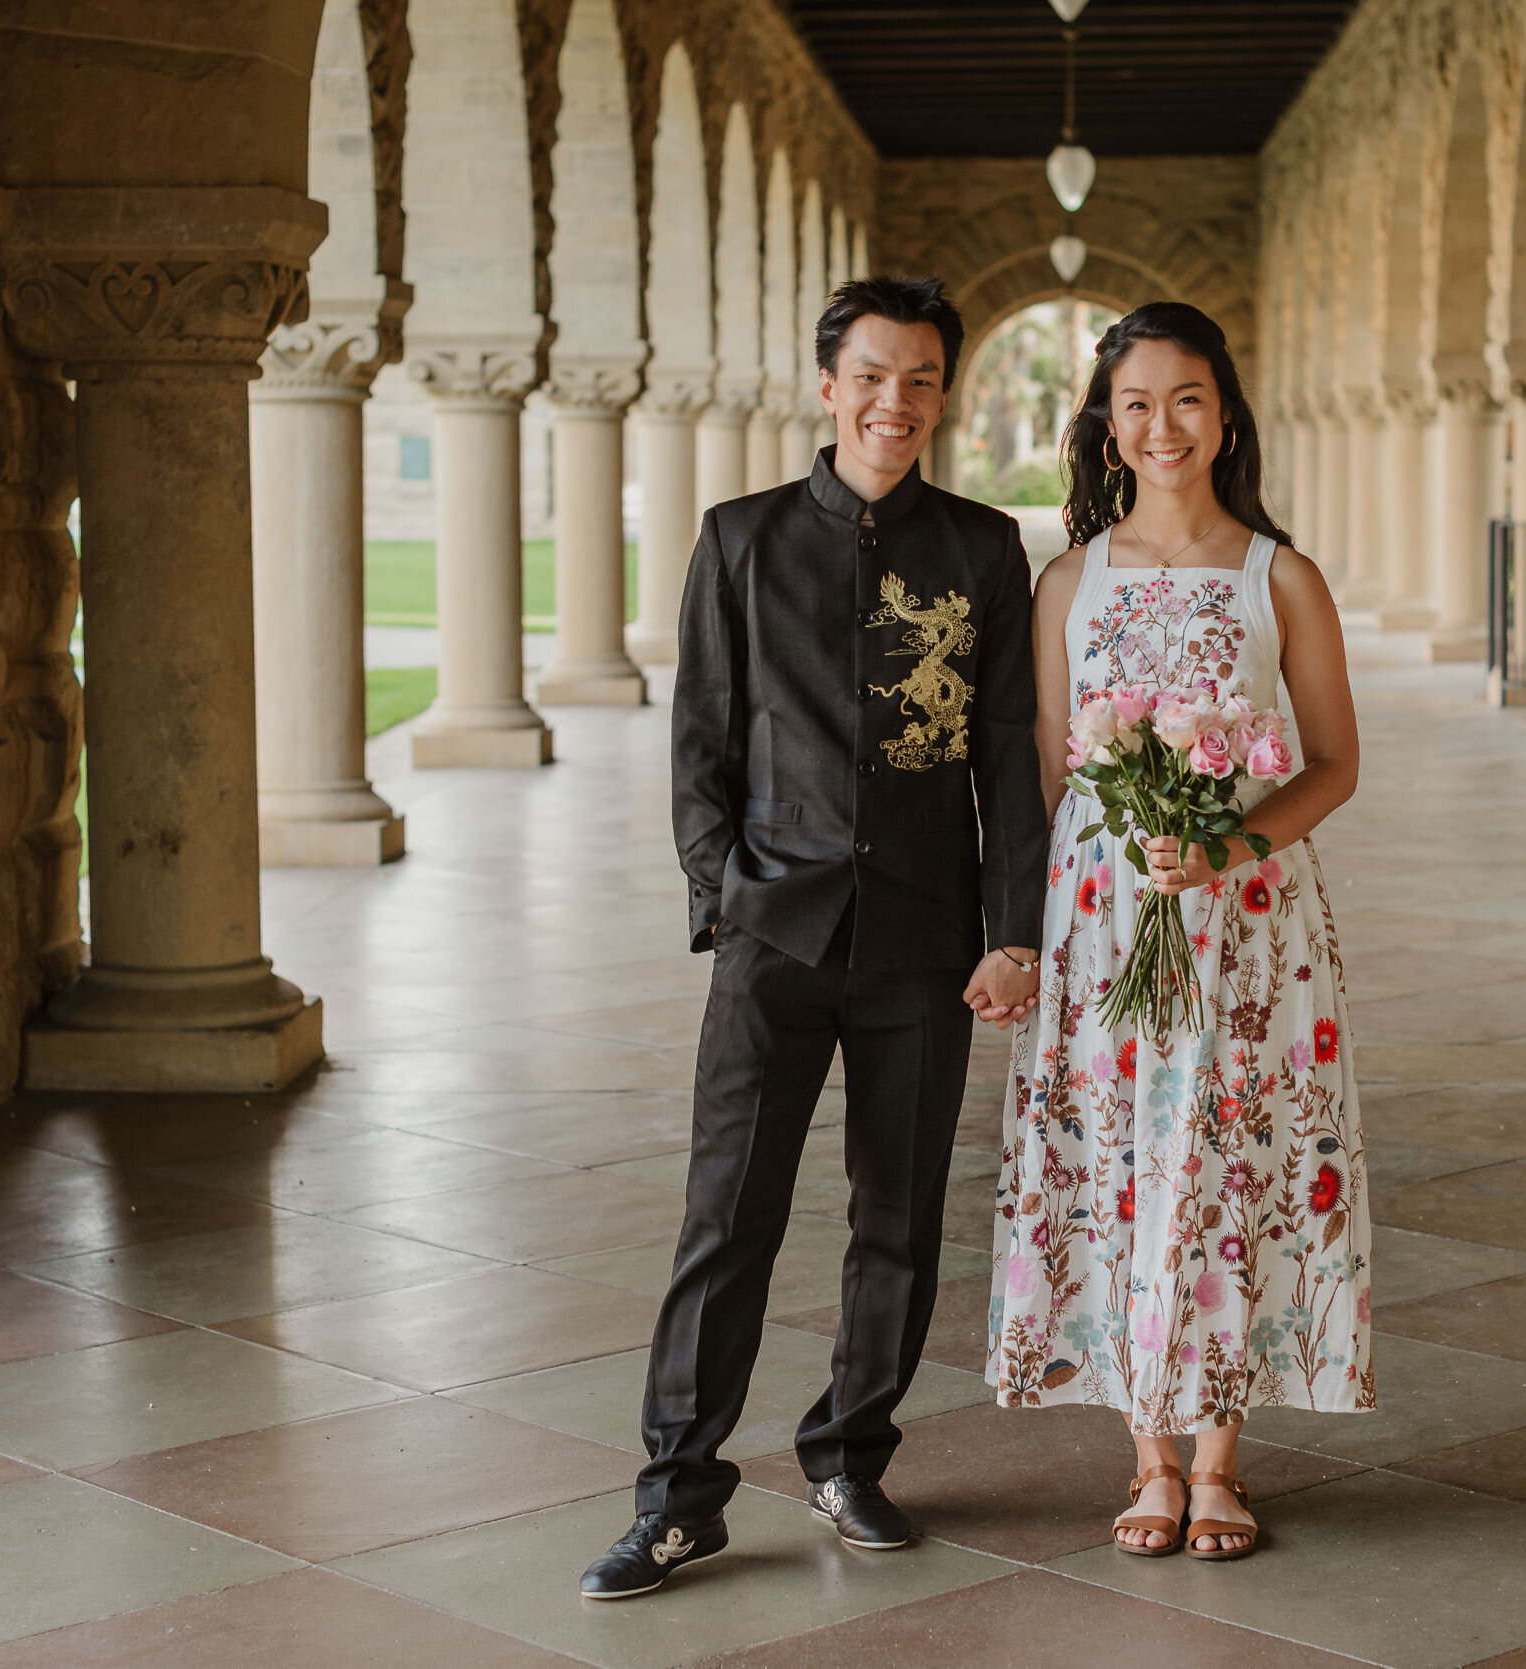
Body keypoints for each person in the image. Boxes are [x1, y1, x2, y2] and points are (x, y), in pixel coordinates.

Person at [583, 276, 1049, 1600]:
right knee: (727, 1215)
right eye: (871, 375)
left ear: (943, 393)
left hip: (925, 941)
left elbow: (1009, 755)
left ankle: (851, 1452)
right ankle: (678, 1493)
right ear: (828, 384)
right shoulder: (740, 539)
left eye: (919, 379)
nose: (893, 402)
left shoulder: (979, 550)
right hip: (771, 939)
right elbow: (700, 746)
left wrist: (1011, 929)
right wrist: (723, 894)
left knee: (897, 1222)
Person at [984, 301, 1370, 1561]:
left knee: (1228, 1157)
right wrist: (1052, 922)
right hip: (1103, 916)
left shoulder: (1280, 575)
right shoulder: (1066, 582)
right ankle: (1146, 1453)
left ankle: (1220, 1460)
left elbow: (1330, 765)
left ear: (1226, 414)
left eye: (1188, 398)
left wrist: (1224, 846)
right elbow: (1051, 765)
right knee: (1119, 1155)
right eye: (1135, 403)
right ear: (1105, 425)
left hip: (1248, 923)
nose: (1163, 426)